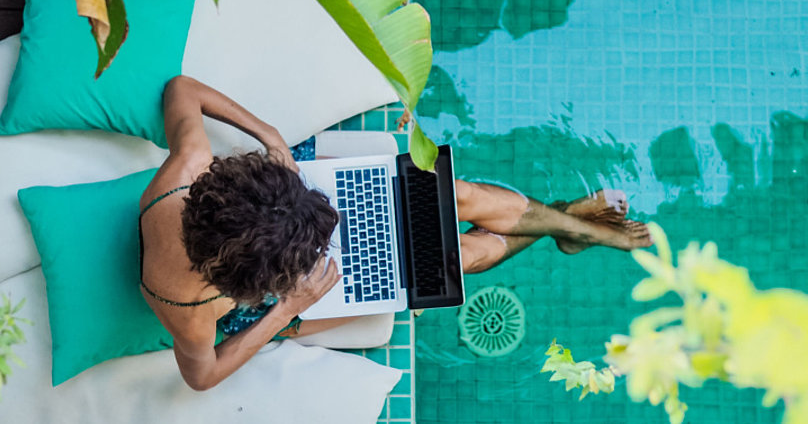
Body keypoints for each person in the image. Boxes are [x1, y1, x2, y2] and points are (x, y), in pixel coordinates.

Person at [140, 75, 651, 390]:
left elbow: (181, 89)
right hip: (282, 300)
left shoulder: (189, 168)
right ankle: (571, 227)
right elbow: (201, 376)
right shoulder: (190, 311)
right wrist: (289, 307)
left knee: (458, 197)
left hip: (274, 219)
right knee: (457, 256)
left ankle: (567, 226)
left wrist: (271, 141)